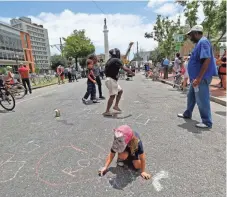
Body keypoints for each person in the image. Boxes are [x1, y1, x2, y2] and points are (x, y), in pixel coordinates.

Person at [177, 25, 217, 128]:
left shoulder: (203, 42)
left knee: (202, 99)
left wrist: (199, 78)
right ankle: (188, 113)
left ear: (195, 33)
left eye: (190, 35)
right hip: (196, 78)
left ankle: (207, 121)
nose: (190, 38)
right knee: (191, 96)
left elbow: (207, 60)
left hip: (201, 78)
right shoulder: (200, 43)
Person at [103, 48, 135, 116]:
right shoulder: (116, 60)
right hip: (111, 80)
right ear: (117, 54)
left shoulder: (110, 60)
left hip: (111, 80)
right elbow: (124, 68)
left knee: (120, 91)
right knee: (112, 96)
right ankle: (107, 111)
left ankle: (116, 106)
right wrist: (131, 72)